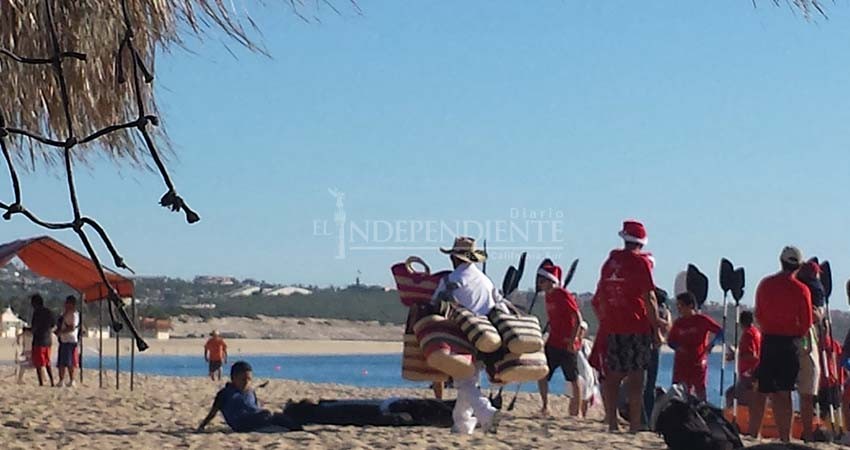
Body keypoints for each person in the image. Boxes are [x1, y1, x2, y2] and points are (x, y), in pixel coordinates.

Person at [592, 220, 660, 433]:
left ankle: (612, 421)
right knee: (636, 376)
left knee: (613, 374)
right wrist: (656, 328)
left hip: (613, 325)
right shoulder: (640, 263)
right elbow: (649, 297)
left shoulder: (610, 262)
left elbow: (600, 297)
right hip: (636, 325)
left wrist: (606, 319)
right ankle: (634, 424)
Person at [431, 236, 500, 435]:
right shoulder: (486, 281)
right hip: (488, 339)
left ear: (455, 257)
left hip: (461, 338)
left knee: (464, 381)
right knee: (469, 381)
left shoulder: (451, 280)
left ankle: (487, 413)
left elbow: (435, 303)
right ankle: (462, 425)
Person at [748, 246, 813, 443]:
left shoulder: (766, 284)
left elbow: (758, 314)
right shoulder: (801, 290)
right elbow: (806, 322)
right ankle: (785, 437)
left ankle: (753, 434)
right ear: (798, 266)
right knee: (784, 392)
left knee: (762, 389)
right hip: (789, 342)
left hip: (769, 340)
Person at [198, 361, 303, 432]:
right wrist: (202, 426)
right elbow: (213, 412)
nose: (246, 382)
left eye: (249, 379)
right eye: (243, 379)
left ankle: (298, 427)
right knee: (267, 414)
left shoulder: (250, 391)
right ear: (233, 378)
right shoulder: (225, 393)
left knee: (283, 416)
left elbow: (255, 407)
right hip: (240, 423)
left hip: (257, 418)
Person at [536, 262, 583, 416]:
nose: (540, 284)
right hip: (553, 342)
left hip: (567, 343)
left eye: (542, 281)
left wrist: (573, 339)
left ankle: (576, 411)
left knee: (573, 378)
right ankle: (545, 406)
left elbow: (577, 317)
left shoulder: (562, 294)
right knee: (542, 373)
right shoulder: (548, 297)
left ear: (550, 281)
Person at [667, 292, 723, 400]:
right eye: (677, 306)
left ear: (691, 306)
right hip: (681, 364)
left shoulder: (702, 320)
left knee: (700, 392)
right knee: (679, 393)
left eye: (681, 305)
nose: (679, 309)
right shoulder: (678, 323)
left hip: (697, 362)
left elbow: (720, 332)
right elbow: (670, 341)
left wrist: (712, 344)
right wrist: (678, 347)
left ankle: (703, 412)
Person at [644, 287, 671, 424]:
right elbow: (668, 327)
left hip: (646, 346)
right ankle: (648, 417)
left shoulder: (651, 311)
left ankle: (644, 417)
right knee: (649, 384)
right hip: (654, 348)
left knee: (643, 385)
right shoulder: (663, 312)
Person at [724, 311, 761, 408]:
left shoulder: (748, 335)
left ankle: (732, 420)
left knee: (732, 396)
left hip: (749, 374)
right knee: (732, 393)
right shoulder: (756, 332)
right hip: (751, 373)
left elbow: (752, 355)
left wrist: (735, 355)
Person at [30, 294, 56, 387]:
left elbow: (34, 327)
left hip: (39, 340)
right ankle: (52, 381)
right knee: (47, 362)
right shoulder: (49, 312)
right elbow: (53, 325)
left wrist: (29, 330)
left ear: (35, 303)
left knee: (39, 363)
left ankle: (41, 382)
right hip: (48, 340)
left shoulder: (37, 312)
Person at [56, 295, 80, 387]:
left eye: (67, 303)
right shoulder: (65, 313)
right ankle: (61, 380)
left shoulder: (73, 314)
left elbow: (72, 327)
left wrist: (61, 332)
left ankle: (71, 380)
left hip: (70, 340)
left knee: (70, 362)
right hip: (64, 339)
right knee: (62, 362)